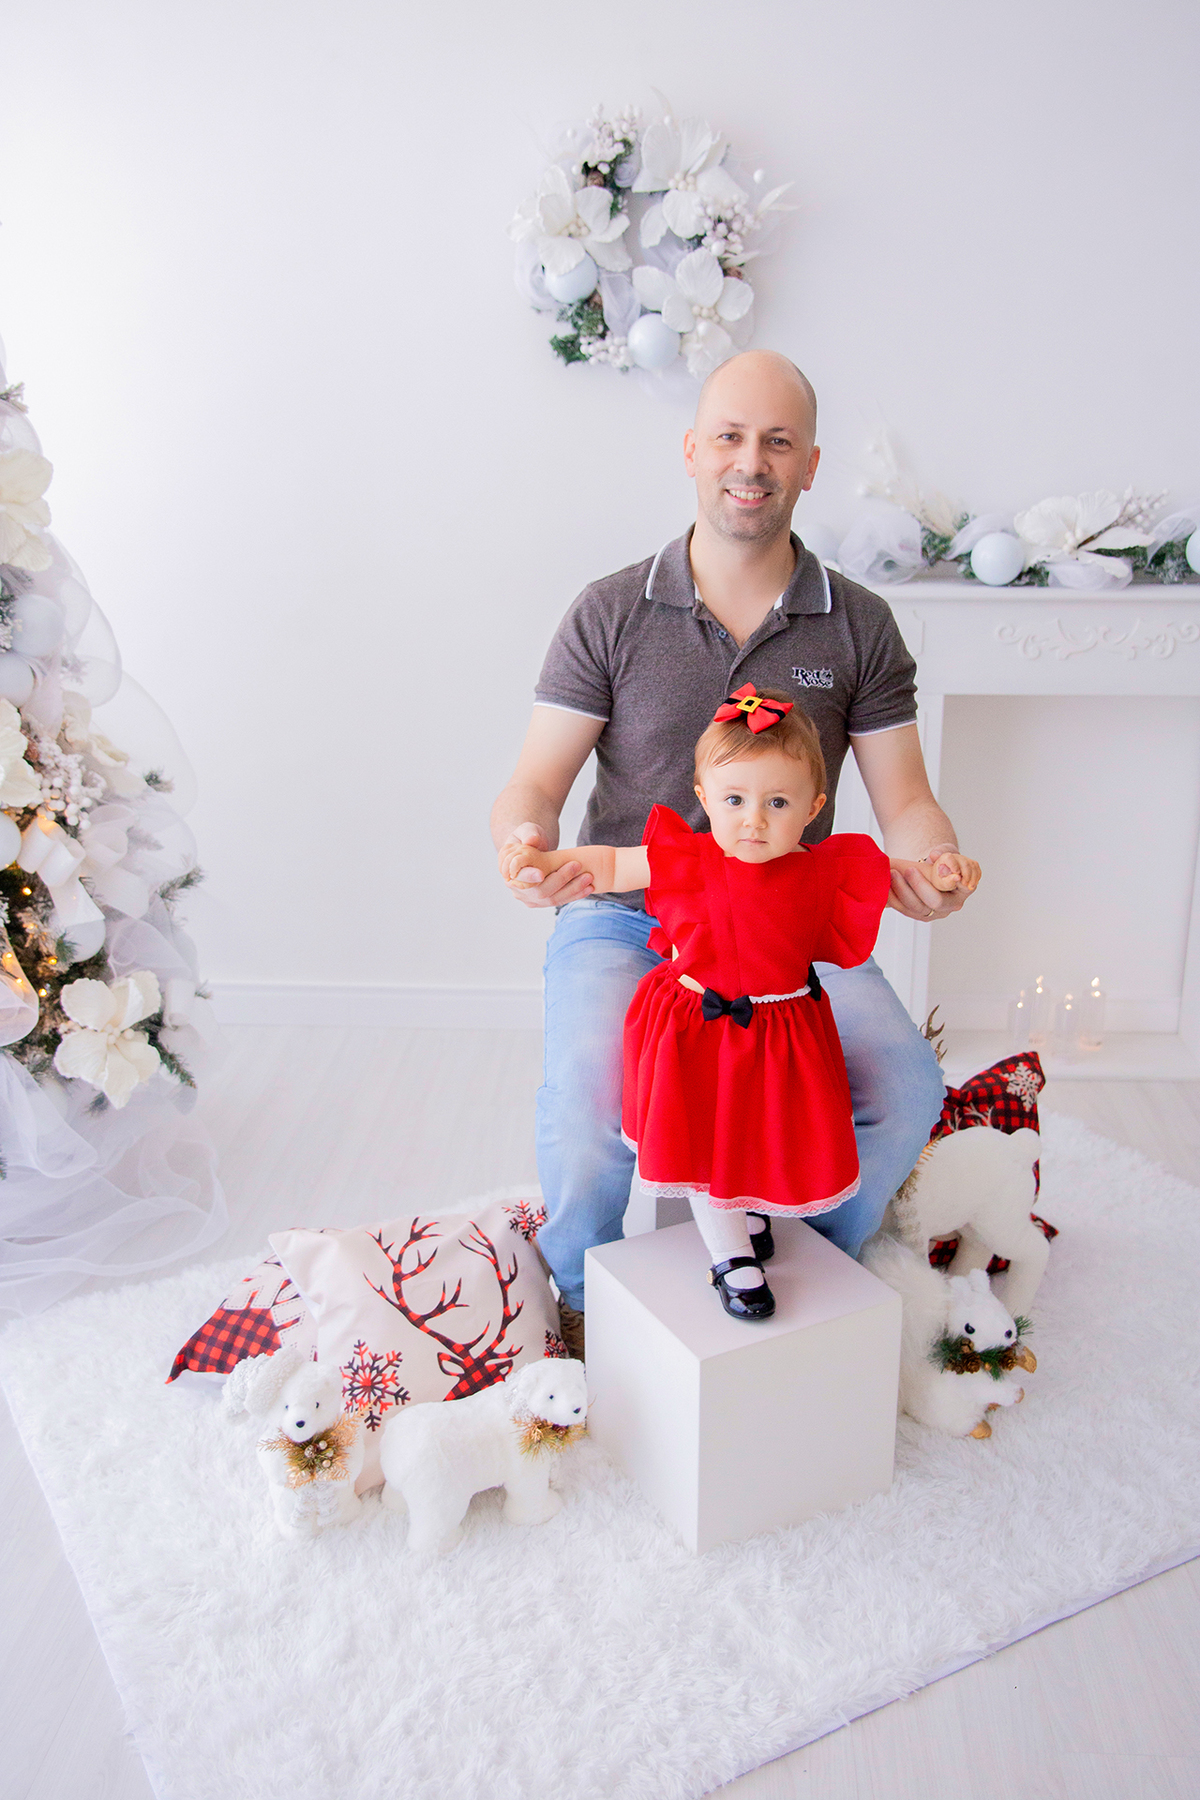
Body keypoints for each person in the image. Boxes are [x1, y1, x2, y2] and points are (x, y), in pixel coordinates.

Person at [490, 350, 981, 1353]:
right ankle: (585, 1311)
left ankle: (806, 1277)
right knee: (588, 1098)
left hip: (783, 930)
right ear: (691, 451)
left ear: (809, 466)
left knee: (903, 1087)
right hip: (628, 909)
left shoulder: (860, 626)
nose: (749, 462)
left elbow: (909, 802)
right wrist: (523, 839)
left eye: (776, 441)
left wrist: (937, 865)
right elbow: (535, 782)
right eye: (728, 435)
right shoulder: (610, 609)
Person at [501, 685, 975, 1322]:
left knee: (769, 1129)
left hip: (783, 1030)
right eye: (734, 800)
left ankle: (810, 1247)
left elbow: (893, 876)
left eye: (776, 803)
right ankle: (723, 1257)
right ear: (703, 799)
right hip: (701, 1026)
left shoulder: (820, 867)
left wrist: (939, 867)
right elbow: (611, 865)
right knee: (711, 1139)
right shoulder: (693, 858)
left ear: (815, 805)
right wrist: (541, 858)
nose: (753, 820)